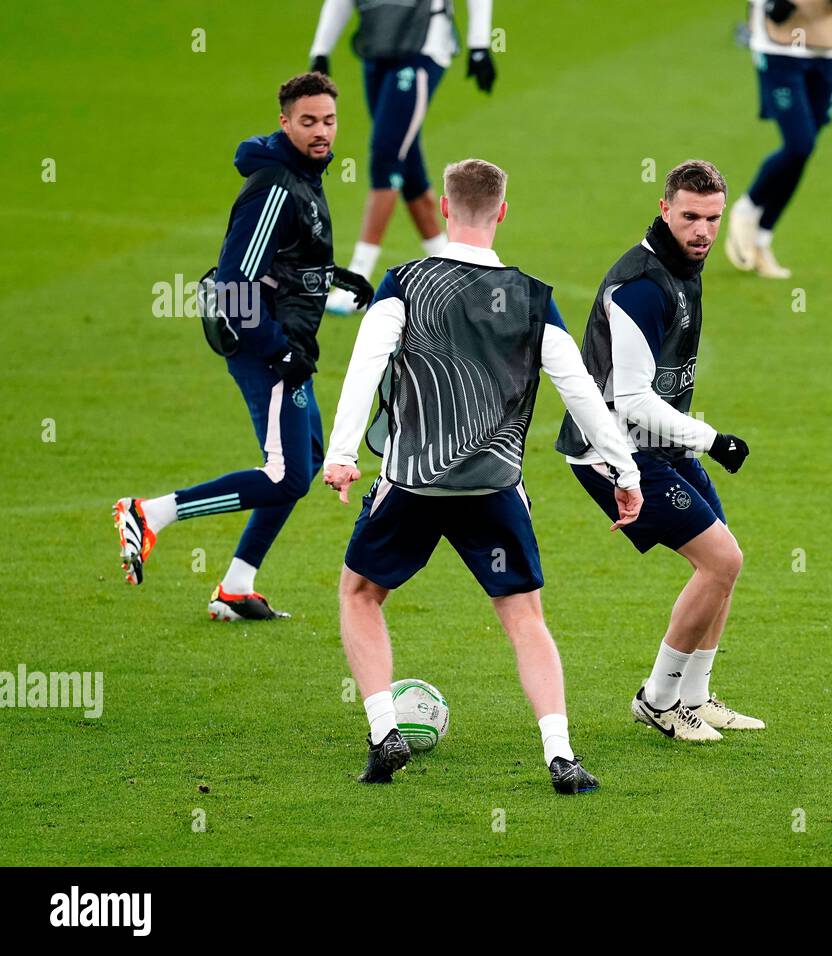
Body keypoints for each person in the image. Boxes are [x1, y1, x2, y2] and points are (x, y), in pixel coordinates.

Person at [322, 159, 644, 793]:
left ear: (443, 208)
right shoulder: (532, 297)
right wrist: (624, 469)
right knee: (524, 618)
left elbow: (365, 367)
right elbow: (581, 391)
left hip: (412, 482)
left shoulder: (404, 283)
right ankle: (561, 757)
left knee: (360, 595)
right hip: (493, 486)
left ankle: (385, 732)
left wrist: (341, 453)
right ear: (502, 211)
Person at [112, 73, 372, 620]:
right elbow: (235, 287)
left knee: (307, 460)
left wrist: (335, 277)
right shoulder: (275, 186)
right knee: (285, 475)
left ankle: (236, 585)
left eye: (328, 120)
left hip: (286, 343)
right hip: (266, 347)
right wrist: (278, 352)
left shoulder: (304, 173)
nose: (321, 131)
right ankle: (149, 512)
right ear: (284, 122)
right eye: (308, 122)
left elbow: (286, 262)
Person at [556, 160, 763, 743]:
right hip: (613, 450)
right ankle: (658, 698)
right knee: (721, 561)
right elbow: (631, 398)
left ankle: (695, 697)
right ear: (665, 207)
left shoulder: (683, 265)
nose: (702, 231)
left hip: (659, 443)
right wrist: (712, 438)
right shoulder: (642, 287)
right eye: (690, 217)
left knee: (724, 561)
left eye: (714, 219)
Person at [308, 0, 497, 315]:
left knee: (386, 155)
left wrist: (479, 45)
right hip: (377, 47)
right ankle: (454, 273)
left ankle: (356, 282)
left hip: (421, 48)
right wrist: (321, 49)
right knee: (405, 164)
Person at [725, 0, 832, 279]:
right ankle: (746, 209)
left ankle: (761, 238)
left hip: (827, 47)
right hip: (778, 47)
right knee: (800, 144)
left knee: (803, 150)